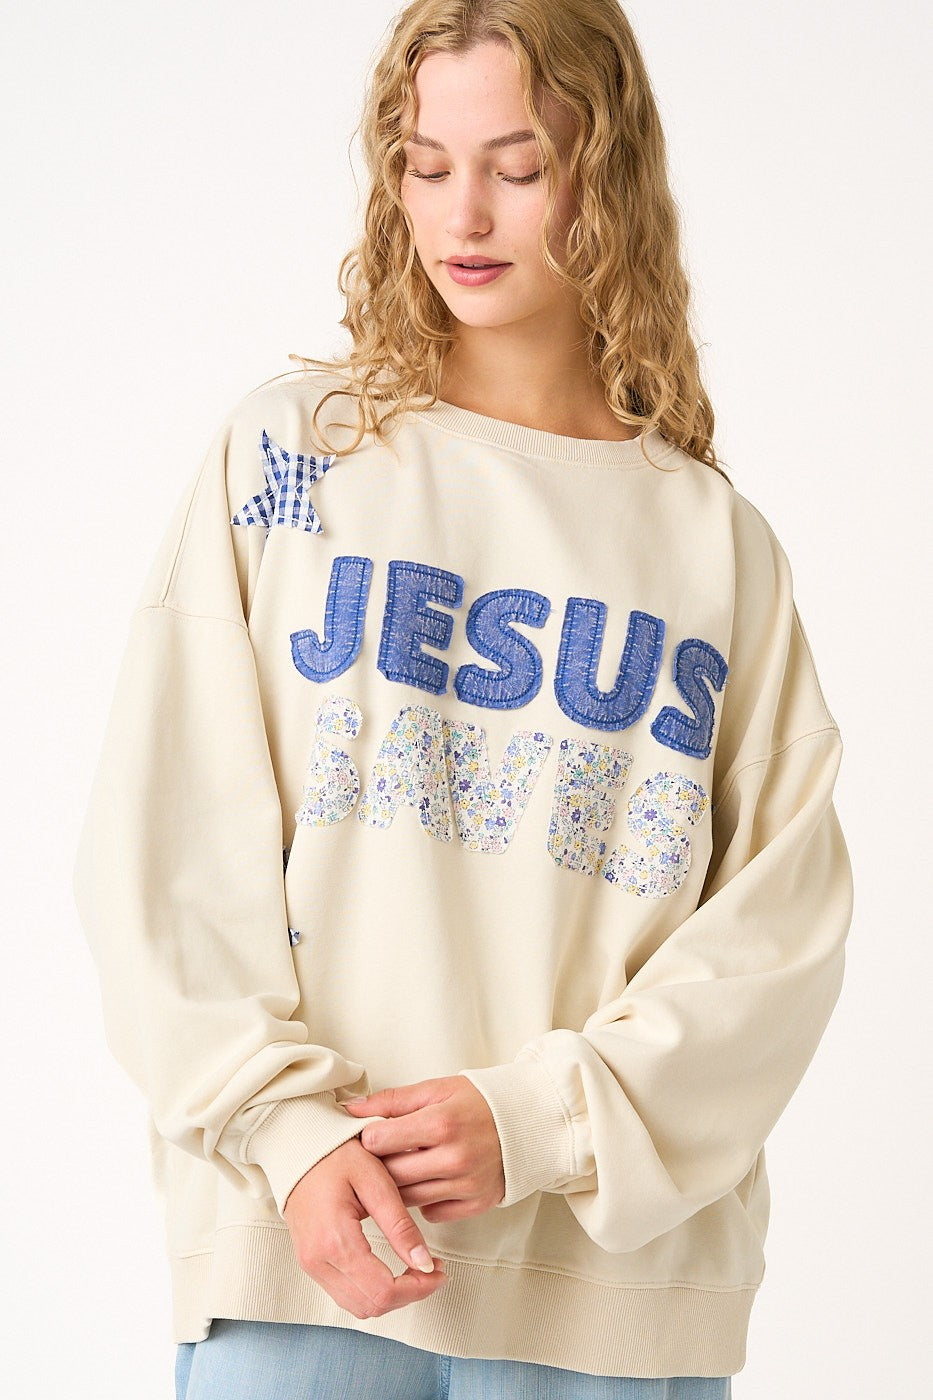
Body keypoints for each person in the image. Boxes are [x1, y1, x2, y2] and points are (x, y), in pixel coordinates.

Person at [72, 1, 853, 1397]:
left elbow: (777, 932)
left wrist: (547, 1119)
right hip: (304, 1248)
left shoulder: (713, 546)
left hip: (606, 1300)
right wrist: (289, 1134)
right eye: (427, 167)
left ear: (607, 177)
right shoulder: (295, 457)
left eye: (519, 166)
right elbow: (168, 840)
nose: (464, 215)